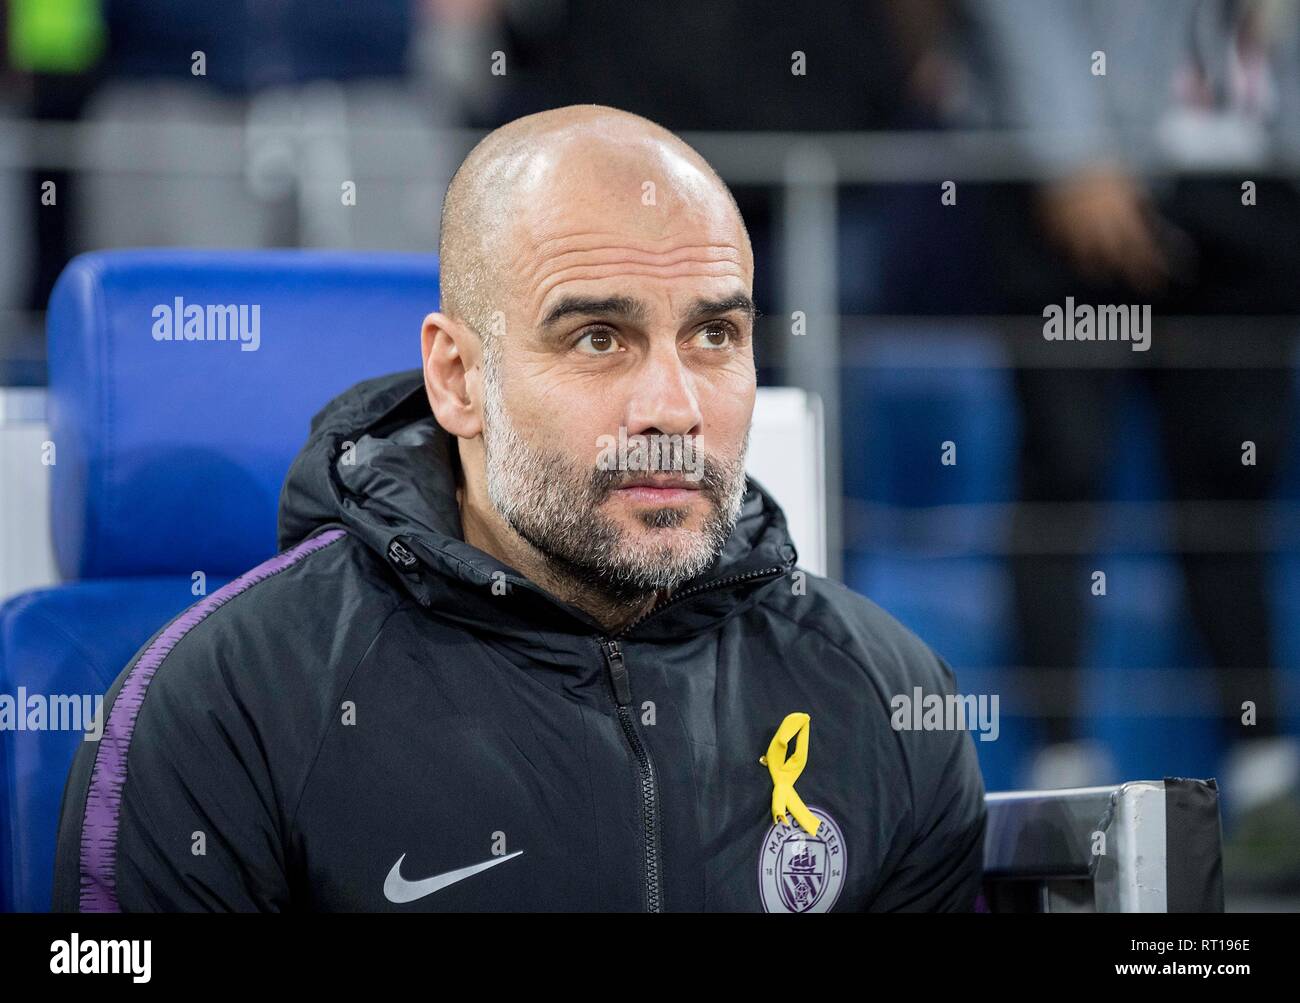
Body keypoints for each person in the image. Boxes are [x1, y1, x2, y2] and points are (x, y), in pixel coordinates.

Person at [52, 105, 985, 912]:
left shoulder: (889, 700)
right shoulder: (224, 707)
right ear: (457, 379)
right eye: (597, 336)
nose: (674, 406)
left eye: (713, 333)